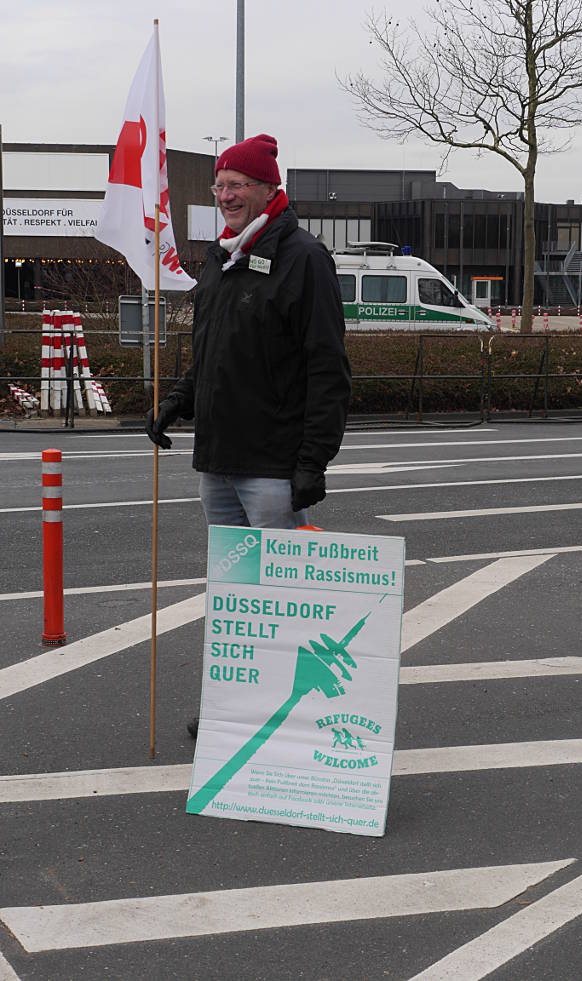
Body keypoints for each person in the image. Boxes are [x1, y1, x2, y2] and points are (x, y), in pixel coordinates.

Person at [144, 133, 352, 738]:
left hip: (272, 465)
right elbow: (212, 350)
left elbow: (327, 367)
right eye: (220, 185)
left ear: (268, 189)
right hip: (219, 460)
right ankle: (237, 708)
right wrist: (179, 401)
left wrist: (313, 460)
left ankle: (294, 716)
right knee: (239, 604)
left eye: (237, 185)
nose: (226, 194)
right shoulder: (222, 257)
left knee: (283, 599)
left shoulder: (303, 257)